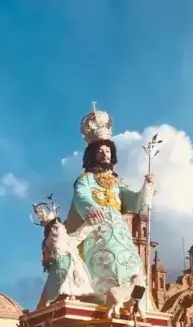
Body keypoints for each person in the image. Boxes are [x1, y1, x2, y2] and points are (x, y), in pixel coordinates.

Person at [65, 104, 156, 307]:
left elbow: (133, 201)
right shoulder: (86, 179)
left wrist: (146, 187)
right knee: (106, 261)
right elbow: (81, 196)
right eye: (101, 151)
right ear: (93, 154)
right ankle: (103, 297)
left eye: (108, 150)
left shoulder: (118, 182)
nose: (105, 154)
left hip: (119, 227)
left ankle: (137, 301)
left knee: (132, 265)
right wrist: (91, 208)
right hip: (98, 226)